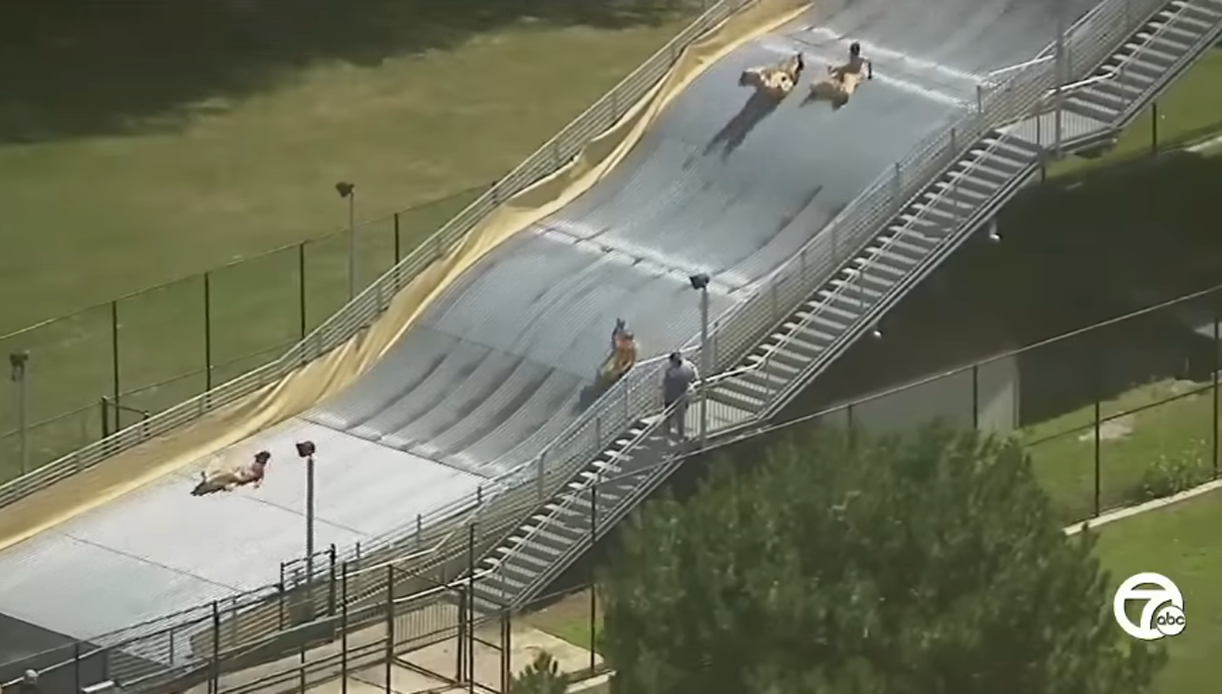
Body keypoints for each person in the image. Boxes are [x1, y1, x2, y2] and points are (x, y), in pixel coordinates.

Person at [661, 351, 699, 444]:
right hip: (679, 396)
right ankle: (677, 436)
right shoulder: (688, 365)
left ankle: (670, 436)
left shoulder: (670, 369)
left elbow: (663, 383)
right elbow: (695, 377)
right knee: (678, 417)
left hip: (673, 396)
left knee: (671, 417)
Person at [199, 450, 270, 492]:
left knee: (225, 477)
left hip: (239, 478)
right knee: (225, 476)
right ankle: (210, 481)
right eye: (261, 457)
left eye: (262, 458)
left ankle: (210, 481)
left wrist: (257, 483)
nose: (261, 459)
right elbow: (259, 476)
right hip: (239, 477)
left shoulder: (259, 467)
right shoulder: (257, 465)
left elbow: (260, 476)